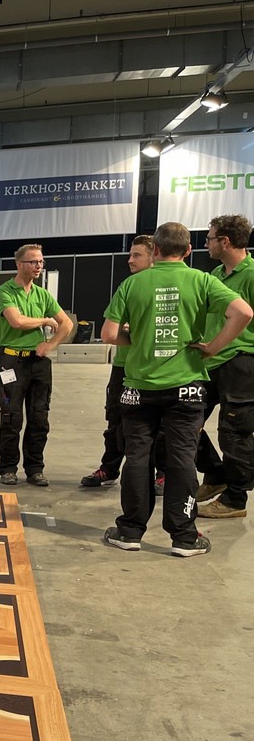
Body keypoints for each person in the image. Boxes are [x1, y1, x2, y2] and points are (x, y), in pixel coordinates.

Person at [101, 221, 252, 557]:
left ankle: (130, 531)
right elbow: (243, 312)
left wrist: (137, 340)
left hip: (138, 388)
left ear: (155, 250)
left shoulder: (133, 284)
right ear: (188, 250)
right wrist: (212, 347)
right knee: (182, 458)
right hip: (186, 387)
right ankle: (184, 536)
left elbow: (109, 334)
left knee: (137, 456)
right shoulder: (202, 281)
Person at [0, 244, 74, 486]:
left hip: (38, 364)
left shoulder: (42, 294)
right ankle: (8, 468)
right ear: (19, 264)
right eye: (33, 262)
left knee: (39, 418)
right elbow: (16, 321)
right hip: (11, 362)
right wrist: (45, 320)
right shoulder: (4, 292)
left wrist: (51, 344)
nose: (38, 266)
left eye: (41, 262)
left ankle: (35, 468)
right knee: (11, 416)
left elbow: (67, 324)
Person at [81, 235, 153, 489]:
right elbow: (112, 329)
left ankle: (161, 474)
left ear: (154, 257)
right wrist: (133, 331)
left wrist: (134, 330)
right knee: (115, 419)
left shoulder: (164, 286)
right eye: (130, 255)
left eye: (137, 255)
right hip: (123, 366)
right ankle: (109, 468)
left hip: (152, 367)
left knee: (157, 423)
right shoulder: (128, 286)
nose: (130, 260)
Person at [197, 214, 254, 520]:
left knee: (234, 432)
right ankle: (215, 473)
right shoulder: (216, 274)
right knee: (181, 422)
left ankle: (235, 499)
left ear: (225, 241)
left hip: (241, 362)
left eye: (210, 238)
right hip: (210, 361)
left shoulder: (252, 275)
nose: (206, 243)